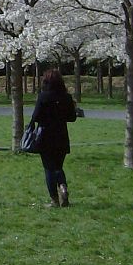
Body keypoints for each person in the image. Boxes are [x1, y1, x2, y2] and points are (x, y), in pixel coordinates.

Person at [31, 69, 78, 208]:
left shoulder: (43, 97)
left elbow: (36, 117)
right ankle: (63, 187)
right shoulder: (66, 97)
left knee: (49, 168)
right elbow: (72, 117)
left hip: (45, 136)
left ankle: (54, 200)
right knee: (58, 166)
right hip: (61, 136)